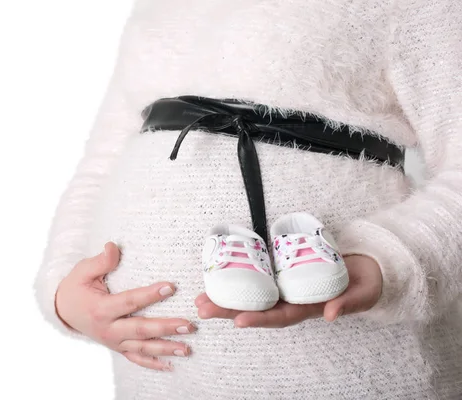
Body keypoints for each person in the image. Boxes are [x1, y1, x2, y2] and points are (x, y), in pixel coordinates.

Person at [34, 1, 462, 398]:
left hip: (344, 369)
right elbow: (102, 163)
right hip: (159, 373)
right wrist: (64, 294)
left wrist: (388, 262)